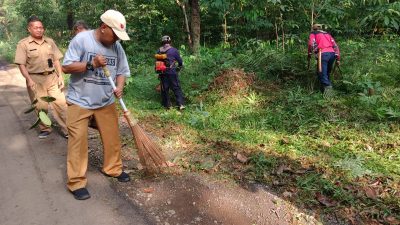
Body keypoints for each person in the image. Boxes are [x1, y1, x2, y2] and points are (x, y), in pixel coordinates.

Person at [62, 9, 131, 200]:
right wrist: (91, 64)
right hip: (80, 101)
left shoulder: (117, 47)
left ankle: (113, 168)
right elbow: (66, 67)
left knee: (112, 138)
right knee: (78, 142)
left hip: (105, 101)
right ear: (103, 28)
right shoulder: (82, 39)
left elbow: (122, 71)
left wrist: (119, 87)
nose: (117, 39)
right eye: (115, 35)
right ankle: (76, 182)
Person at [14, 15, 68, 139]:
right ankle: (45, 128)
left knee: (61, 104)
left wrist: (60, 76)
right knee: (40, 106)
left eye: (41, 27)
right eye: (36, 28)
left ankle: (68, 130)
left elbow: (56, 60)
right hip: (35, 79)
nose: (39, 30)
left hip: (52, 77)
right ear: (29, 29)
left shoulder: (49, 41)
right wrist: (28, 79)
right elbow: (21, 64)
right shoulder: (23, 44)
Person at [308, 24, 340, 94]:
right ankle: (323, 89)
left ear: (313, 29)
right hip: (332, 54)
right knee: (327, 72)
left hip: (322, 54)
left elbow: (311, 44)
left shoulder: (313, 34)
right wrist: (338, 58)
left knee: (322, 73)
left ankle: (328, 91)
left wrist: (310, 53)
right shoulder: (327, 34)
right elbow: (335, 46)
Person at [156, 35, 185, 110]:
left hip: (162, 72)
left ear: (162, 42)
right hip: (172, 72)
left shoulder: (159, 50)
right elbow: (180, 62)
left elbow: (157, 62)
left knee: (165, 89)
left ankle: (168, 105)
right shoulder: (174, 50)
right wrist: (179, 68)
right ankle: (180, 104)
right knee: (176, 87)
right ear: (170, 42)